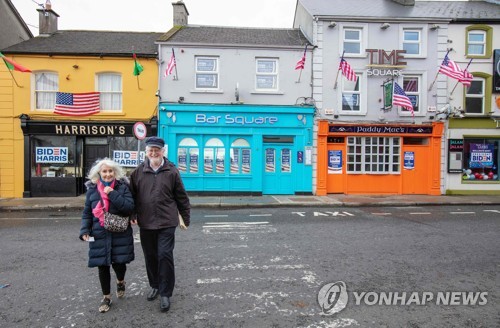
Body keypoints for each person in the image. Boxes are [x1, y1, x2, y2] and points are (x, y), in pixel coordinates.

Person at [129, 136, 191, 313]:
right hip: (146, 221)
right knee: (150, 256)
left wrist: (185, 218)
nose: (154, 153)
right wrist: (133, 214)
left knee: (164, 255)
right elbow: (131, 196)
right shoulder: (138, 172)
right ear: (146, 152)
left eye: (157, 150)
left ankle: (165, 293)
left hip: (166, 221)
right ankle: (155, 285)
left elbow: (181, 196)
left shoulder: (172, 171)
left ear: (163, 151)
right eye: (151, 150)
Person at [79, 158, 135, 313]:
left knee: (119, 263)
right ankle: (106, 297)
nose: (108, 174)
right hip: (99, 233)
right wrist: (84, 230)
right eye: (104, 171)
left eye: (110, 171)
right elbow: (87, 213)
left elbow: (129, 208)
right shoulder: (92, 190)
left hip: (119, 232)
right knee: (102, 266)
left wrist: (112, 194)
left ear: (115, 172)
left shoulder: (122, 187)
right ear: (99, 173)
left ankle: (120, 281)